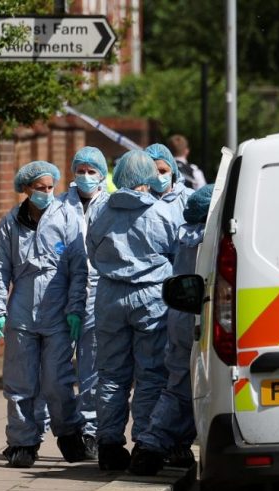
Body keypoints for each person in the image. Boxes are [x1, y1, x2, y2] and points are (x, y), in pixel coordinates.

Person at [0, 160, 88, 468]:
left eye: (50, 188)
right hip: (22, 310)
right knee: (20, 383)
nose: (46, 193)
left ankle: (69, 434)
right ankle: (22, 442)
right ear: (25, 189)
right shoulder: (11, 223)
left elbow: (78, 268)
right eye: (39, 188)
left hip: (57, 310)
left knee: (57, 381)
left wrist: (74, 308)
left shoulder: (67, 217)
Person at [87, 150, 179, 471]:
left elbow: (92, 250)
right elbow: (177, 254)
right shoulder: (161, 214)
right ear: (147, 179)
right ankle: (145, 443)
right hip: (151, 297)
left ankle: (109, 445)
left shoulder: (101, 213)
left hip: (110, 295)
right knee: (151, 374)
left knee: (111, 374)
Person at [129, 184, 213, 476]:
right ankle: (154, 445)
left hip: (180, 317)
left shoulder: (187, 236)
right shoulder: (208, 238)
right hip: (198, 319)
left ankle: (162, 445)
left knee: (180, 387)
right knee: (189, 389)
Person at [57, 146, 110, 460]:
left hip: (97, 292)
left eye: (92, 171)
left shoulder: (109, 206)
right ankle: (67, 428)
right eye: (81, 170)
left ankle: (90, 431)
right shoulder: (60, 205)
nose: (86, 177)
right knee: (57, 369)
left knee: (91, 368)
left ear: (102, 174)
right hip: (61, 291)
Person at [145, 143, 194, 214]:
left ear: (172, 170)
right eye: (152, 172)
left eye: (163, 171)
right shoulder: (140, 201)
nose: (158, 176)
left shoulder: (188, 198)